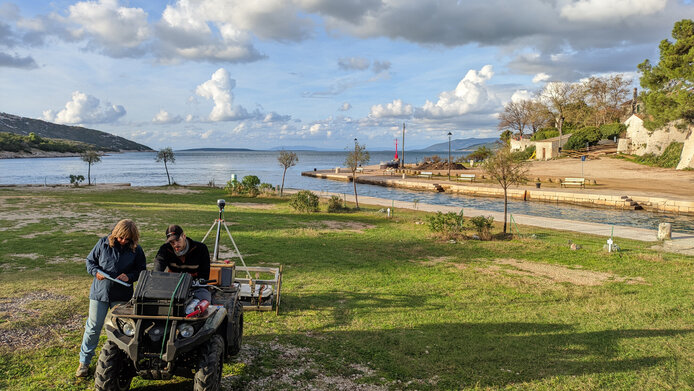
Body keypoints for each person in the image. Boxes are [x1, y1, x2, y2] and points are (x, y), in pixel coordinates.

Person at [76, 219, 146, 378]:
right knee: (93, 327)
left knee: (121, 330)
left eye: (127, 239)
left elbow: (141, 271)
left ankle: (120, 363)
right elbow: (90, 262)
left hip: (121, 295)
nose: (123, 241)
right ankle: (84, 362)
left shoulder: (136, 250)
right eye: (121, 237)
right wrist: (96, 273)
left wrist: (129, 277)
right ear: (116, 234)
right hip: (100, 293)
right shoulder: (102, 244)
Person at [154, 225, 212, 306]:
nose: (175, 244)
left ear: (184, 236)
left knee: (203, 304)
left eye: (177, 240)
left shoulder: (201, 249)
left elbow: (205, 276)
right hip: (173, 287)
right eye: (172, 242)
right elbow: (157, 271)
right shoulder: (165, 250)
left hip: (196, 288)